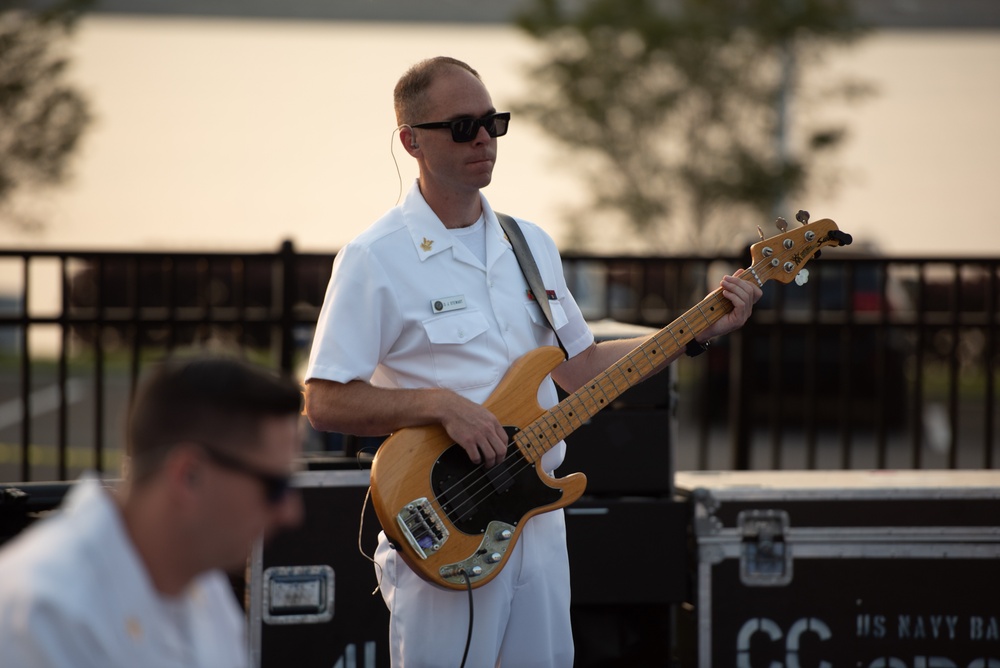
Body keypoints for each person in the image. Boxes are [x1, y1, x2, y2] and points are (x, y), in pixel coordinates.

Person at [303, 56, 762, 668]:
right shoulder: (374, 256)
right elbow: (325, 400)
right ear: (411, 141)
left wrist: (700, 331)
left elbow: (579, 369)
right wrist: (440, 405)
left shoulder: (531, 244)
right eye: (463, 126)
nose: (484, 139)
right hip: (449, 519)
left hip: (536, 520)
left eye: (493, 122)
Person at [0, 357, 304, 668]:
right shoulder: (45, 614)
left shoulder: (201, 579)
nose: (290, 512)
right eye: (275, 487)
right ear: (188, 475)